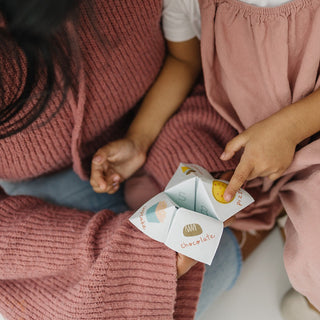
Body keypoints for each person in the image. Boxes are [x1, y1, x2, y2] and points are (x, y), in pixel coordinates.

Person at [0, 0, 247, 319]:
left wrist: (148, 139)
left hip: (170, 116)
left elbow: (190, 58)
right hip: (37, 192)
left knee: (217, 254)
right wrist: (117, 253)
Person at [155, 0, 320, 319]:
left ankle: (312, 298)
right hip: (230, 123)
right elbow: (182, 61)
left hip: (313, 129)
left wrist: (287, 129)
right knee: (162, 192)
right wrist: (138, 138)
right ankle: (268, 214)